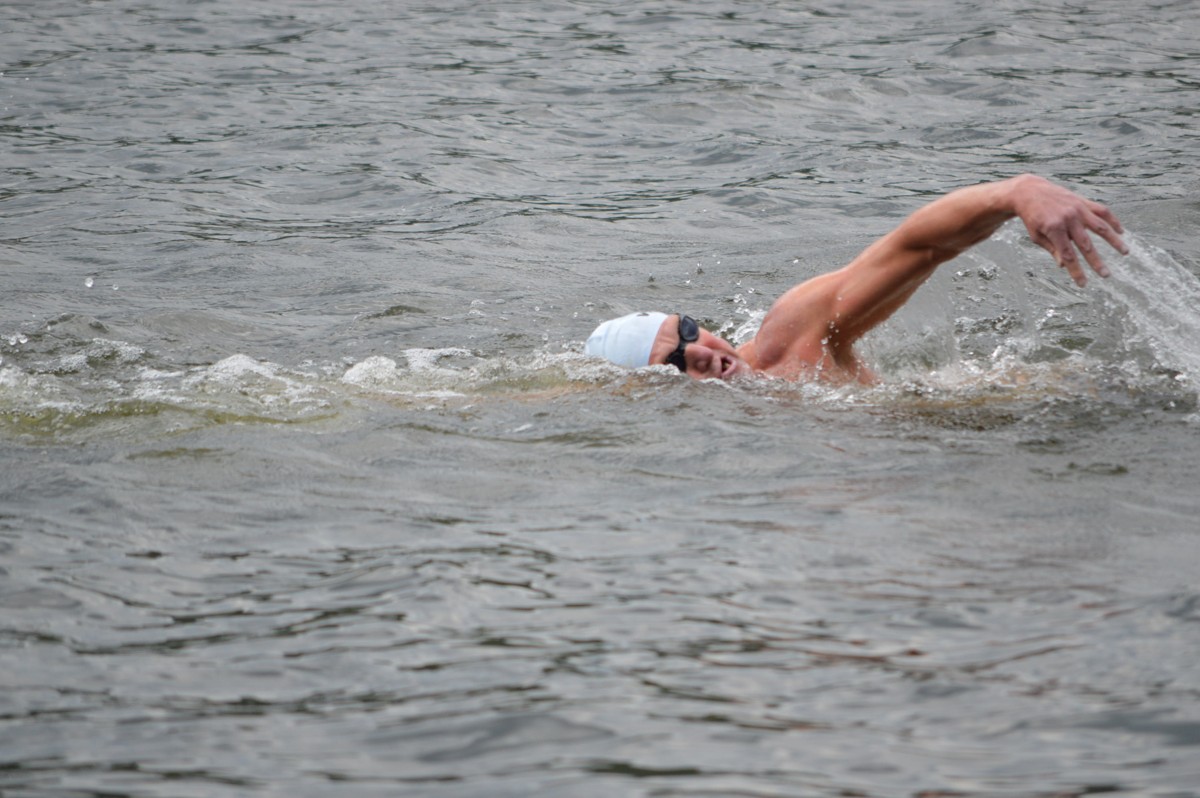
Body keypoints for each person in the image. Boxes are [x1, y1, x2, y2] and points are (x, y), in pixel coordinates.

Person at [585, 174, 1128, 384]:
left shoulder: (788, 341)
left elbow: (915, 248)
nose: (701, 352)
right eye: (675, 362)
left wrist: (1014, 194)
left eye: (687, 332)